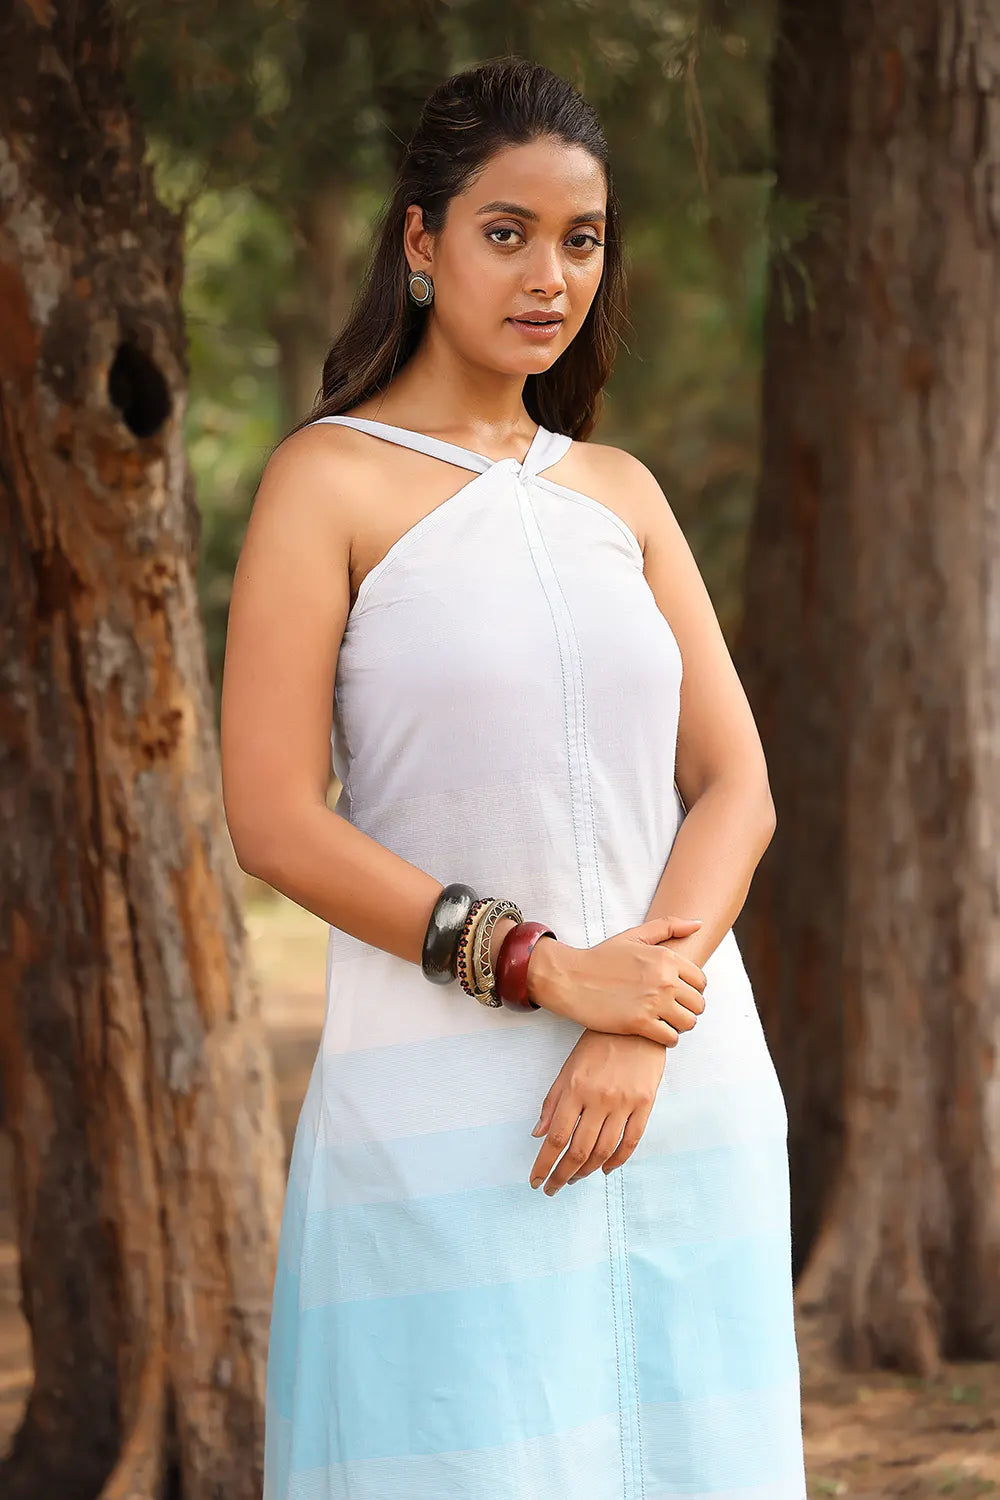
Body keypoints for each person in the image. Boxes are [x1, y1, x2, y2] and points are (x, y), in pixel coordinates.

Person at [221, 53, 806, 1500]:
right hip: (447, 1114)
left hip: (683, 1099)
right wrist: (550, 971)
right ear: (421, 243)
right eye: (508, 232)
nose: (552, 276)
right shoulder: (326, 483)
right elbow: (274, 820)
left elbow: (737, 783)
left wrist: (641, 1017)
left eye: (581, 239)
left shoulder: (621, 495)